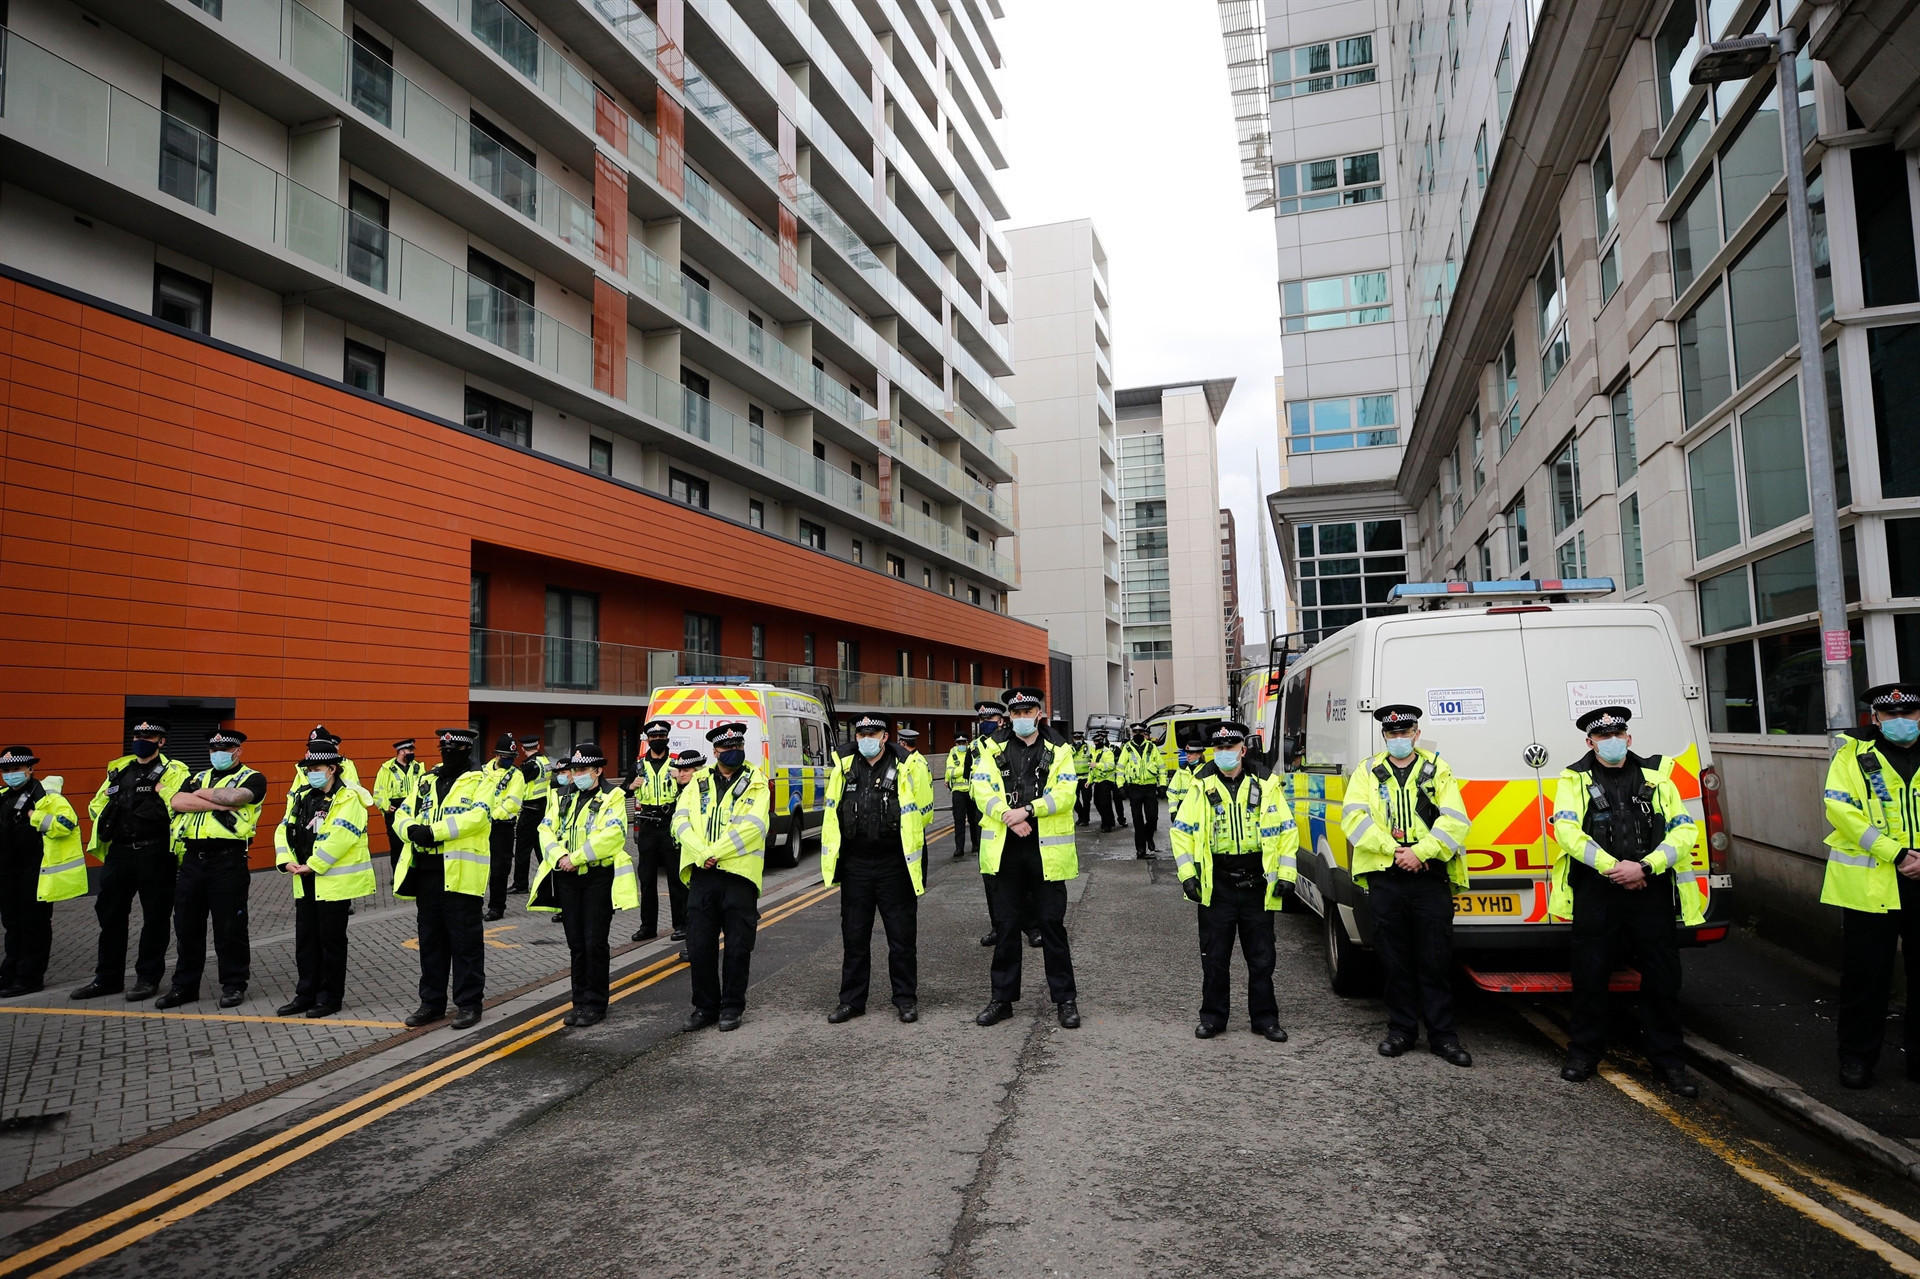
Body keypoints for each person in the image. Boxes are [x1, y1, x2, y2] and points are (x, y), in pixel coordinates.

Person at [1551, 705, 1704, 1096]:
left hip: (1650, 889)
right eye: (1603, 736)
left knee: (1663, 980)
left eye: (1618, 734)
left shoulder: (1658, 774)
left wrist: (1646, 867)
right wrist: (1614, 868)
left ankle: (1669, 1064)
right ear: (1590, 742)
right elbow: (1567, 831)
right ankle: (1583, 1055)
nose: (1612, 741)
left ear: (1629, 738)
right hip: (1598, 891)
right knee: (1590, 977)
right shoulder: (1573, 778)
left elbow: (1684, 830)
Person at [1340, 705, 1473, 1066]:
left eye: (1405, 732)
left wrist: (1421, 852)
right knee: (1394, 959)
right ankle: (1401, 1031)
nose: (1398, 738)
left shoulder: (1437, 769)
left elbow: (1456, 820)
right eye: (1392, 733)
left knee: (1434, 959)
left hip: (1429, 877)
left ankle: (1444, 1037)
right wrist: (1395, 851)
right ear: (1384, 736)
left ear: (1417, 733)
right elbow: (1353, 818)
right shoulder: (1367, 771)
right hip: (1387, 876)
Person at [1171, 722, 1298, 1041]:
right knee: (1214, 958)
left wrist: (1286, 874)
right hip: (1218, 884)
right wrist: (1187, 875)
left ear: (1243, 750)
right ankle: (1213, 1018)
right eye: (1219, 748)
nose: (1225, 753)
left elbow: (1287, 831)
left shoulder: (1266, 784)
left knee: (1262, 959)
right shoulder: (1200, 785)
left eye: (1230, 747)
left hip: (1258, 884)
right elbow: (1181, 833)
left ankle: (1265, 1019)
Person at [1823, 681, 1920, 1089]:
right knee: (1866, 977)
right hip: (1871, 884)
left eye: (1907, 713)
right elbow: (1840, 810)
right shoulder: (1851, 754)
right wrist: (1896, 854)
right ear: (1876, 719)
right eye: (1890, 714)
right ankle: (1857, 1059)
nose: (1899, 720)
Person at [972, 687, 1082, 1029]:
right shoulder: (991, 748)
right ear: (1009, 716)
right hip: (1006, 849)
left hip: (1045, 849)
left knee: (1051, 925)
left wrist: (1028, 811)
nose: (1021, 717)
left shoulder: (1060, 749)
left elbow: (1065, 794)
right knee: (1006, 927)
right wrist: (1009, 817)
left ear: (1039, 714)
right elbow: (981, 790)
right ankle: (1002, 1000)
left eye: (1027, 711)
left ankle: (1065, 1000)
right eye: (1016, 712)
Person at [823, 716, 928, 1024]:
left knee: (901, 937)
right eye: (861, 733)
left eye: (873, 733)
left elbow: (922, 813)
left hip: (894, 865)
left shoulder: (906, 765)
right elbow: (833, 811)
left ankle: (905, 999)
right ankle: (851, 1001)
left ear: (885, 736)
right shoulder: (843, 766)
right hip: (855, 865)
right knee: (854, 937)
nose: (867, 738)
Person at [74, 720, 190, 1001]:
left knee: (155, 918)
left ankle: (147, 979)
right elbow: (96, 805)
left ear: (161, 741)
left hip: (156, 852)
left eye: (148, 736)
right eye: (137, 735)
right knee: (110, 916)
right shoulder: (120, 769)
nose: (141, 740)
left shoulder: (176, 771)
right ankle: (107, 978)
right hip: (119, 852)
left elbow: (178, 806)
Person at [158, 729, 268, 1009]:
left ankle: (233, 985)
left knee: (230, 927)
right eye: (213, 749)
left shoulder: (253, 778)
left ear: (238, 751)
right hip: (192, 859)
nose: (217, 754)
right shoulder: (198, 777)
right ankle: (185, 987)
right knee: (186, 926)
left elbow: (236, 797)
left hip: (227, 860)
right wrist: (215, 801)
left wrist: (199, 797)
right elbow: (176, 801)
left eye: (225, 749)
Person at [530, 744, 636, 1028]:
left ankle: (595, 1003)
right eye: (574, 770)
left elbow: (613, 836)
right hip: (566, 876)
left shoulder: (613, 796)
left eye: (582, 770)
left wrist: (575, 858)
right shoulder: (560, 796)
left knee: (594, 942)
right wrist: (559, 857)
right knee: (576, 943)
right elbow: (545, 829)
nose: (576, 775)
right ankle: (579, 1001)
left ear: (598, 770)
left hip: (596, 877)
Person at [397, 727, 495, 1030]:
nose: (447, 755)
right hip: (426, 873)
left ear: (467, 750)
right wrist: (411, 829)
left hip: (461, 874)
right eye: (444, 750)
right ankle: (431, 1003)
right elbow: (402, 813)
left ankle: (469, 1004)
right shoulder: (427, 780)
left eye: (453, 750)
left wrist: (433, 832)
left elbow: (476, 818)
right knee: (431, 942)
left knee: (465, 944)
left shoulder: (481, 781)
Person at [675, 723, 771, 1032]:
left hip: (738, 876)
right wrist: (701, 853)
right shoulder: (697, 781)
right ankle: (705, 1008)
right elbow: (680, 821)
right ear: (715, 752)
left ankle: (732, 1007)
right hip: (703, 876)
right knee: (699, 946)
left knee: (738, 947)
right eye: (728, 748)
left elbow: (755, 827)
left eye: (738, 746)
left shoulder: (756, 781)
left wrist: (713, 852)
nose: (734, 752)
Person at [272, 738, 376, 1018]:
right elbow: (283, 828)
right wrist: (285, 860)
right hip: (304, 878)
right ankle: (305, 995)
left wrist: (313, 864)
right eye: (308, 769)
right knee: (306, 942)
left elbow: (342, 836)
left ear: (332, 768)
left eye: (316, 769)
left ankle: (330, 998)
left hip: (332, 882)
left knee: (331, 943)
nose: (311, 774)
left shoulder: (349, 797)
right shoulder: (302, 796)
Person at [0, 747, 83, 997]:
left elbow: (67, 824)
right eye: (6, 770)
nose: (10, 774)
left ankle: (30, 978)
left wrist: (35, 816)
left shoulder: (47, 797)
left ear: (30, 769)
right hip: (8, 871)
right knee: (12, 924)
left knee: (33, 925)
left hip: (35, 870)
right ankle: (9, 973)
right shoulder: (3, 796)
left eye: (16, 769)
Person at [627, 719, 682, 942]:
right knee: (647, 879)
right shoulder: (639, 765)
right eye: (653, 737)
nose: (658, 740)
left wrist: (682, 781)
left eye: (661, 736)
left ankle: (681, 924)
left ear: (667, 738)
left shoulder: (677, 763)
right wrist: (631, 786)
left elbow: (693, 787)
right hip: (648, 825)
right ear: (647, 739)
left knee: (676, 878)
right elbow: (624, 791)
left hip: (670, 823)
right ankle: (648, 927)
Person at [481, 734, 526, 922]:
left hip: (502, 827)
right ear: (497, 755)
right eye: (506, 757)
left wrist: (491, 816)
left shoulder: (516, 775)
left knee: (500, 869)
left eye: (512, 757)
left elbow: (513, 803)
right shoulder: (483, 772)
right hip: (481, 826)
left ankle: (496, 907)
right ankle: (474, 905)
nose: (509, 760)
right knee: (478, 867)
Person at [507, 735, 551, 895]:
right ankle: (548, 880)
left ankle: (520, 884)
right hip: (543, 808)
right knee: (541, 847)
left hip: (530, 809)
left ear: (522, 748)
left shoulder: (530, 765)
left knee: (523, 849)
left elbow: (517, 783)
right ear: (538, 746)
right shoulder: (544, 761)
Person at [1118, 722, 1168, 858]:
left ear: (1144, 733)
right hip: (1134, 787)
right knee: (1137, 819)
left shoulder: (1152, 747)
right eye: (1135, 732)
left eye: (1140, 732)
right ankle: (1140, 849)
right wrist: (1120, 786)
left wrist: (1162, 785)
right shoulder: (1127, 748)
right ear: (1132, 733)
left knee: (1153, 817)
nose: (1138, 734)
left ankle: (1148, 835)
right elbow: (1120, 768)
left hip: (1150, 787)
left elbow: (1162, 767)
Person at [372, 739, 422, 865]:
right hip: (394, 809)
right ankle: (397, 873)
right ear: (401, 751)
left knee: (415, 843)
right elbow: (379, 790)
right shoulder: (387, 768)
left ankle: (412, 873)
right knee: (396, 846)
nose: (412, 753)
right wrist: (386, 807)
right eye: (410, 750)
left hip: (413, 808)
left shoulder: (417, 767)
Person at [944, 730, 981, 861]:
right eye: (958, 743)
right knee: (959, 821)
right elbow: (950, 773)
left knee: (974, 820)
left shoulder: (972, 751)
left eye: (963, 742)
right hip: (958, 792)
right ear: (955, 743)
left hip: (971, 791)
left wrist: (960, 770)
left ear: (967, 742)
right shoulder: (952, 753)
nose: (961, 745)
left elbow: (976, 768)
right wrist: (965, 769)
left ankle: (976, 845)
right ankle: (959, 848)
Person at [1089, 732, 1120, 833]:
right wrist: (1089, 780)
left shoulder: (1107, 752)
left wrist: (1097, 765)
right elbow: (1092, 769)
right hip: (1098, 780)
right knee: (1097, 802)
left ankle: (1107, 824)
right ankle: (1109, 820)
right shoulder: (1094, 751)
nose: (1096, 743)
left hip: (1106, 780)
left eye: (1098, 741)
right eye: (1095, 741)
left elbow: (1111, 766)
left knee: (1104, 804)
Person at [1071, 731, 1093, 827]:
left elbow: (1092, 760)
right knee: (1074, 799)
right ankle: (1081, 815)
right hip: (1074, 778)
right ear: (1073, 739)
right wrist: (1075, 749)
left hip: (1085, 777)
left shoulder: (1088, 747)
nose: (1077, 740)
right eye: (1076, 738)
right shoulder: (1069, 748)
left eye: (1079, 738)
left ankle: (1086, 819)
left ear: (1082, 738)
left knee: (1086, 800)